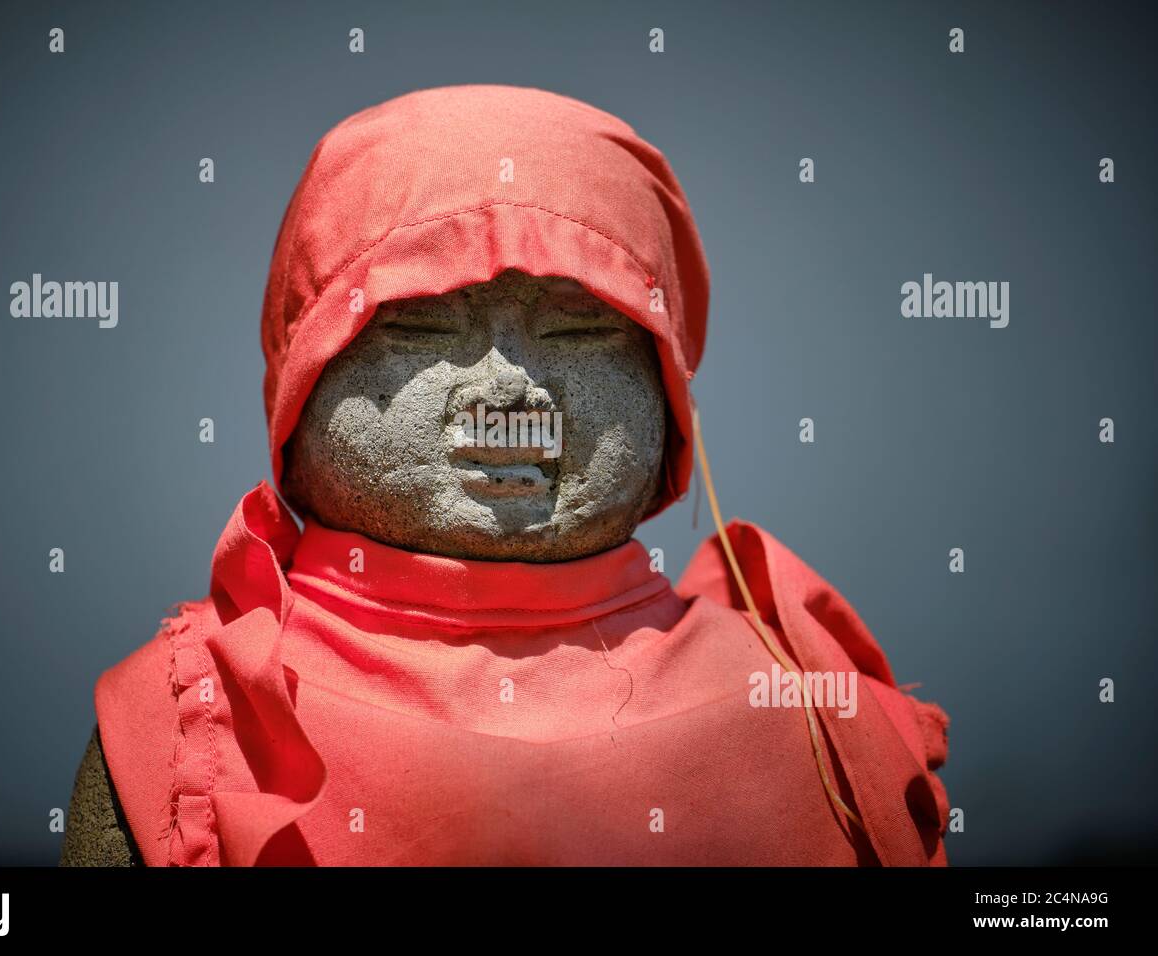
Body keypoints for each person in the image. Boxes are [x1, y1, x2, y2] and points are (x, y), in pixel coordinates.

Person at [60, 84, 949, 867]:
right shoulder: (189, 729)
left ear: (668, 391)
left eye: (577, 329)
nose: (507, 386)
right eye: (418, 329)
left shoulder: (806, 719)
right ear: (300, 385)